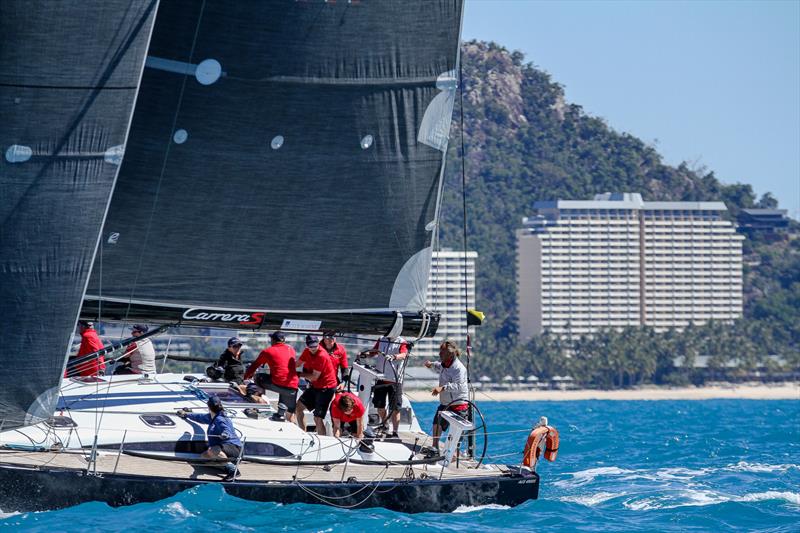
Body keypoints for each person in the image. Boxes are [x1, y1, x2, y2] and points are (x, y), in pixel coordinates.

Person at [176, 395, 242, 481]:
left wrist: (225, 434)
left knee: (213, 450)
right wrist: (187, 415)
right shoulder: (212, 417)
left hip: (234, 448)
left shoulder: (220, 418)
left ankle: (234, 471)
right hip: (224, 451)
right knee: (203, 457)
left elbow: (226, 428)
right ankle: (227, 467)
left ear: (209, 406)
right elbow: (199, 417)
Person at [243, 331, 298, 422]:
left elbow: (255, 366)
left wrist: (245, 377)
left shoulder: (267, 351)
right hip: (292, 388)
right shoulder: (291, 349)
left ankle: (258, 403)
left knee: (258, 377)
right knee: (289, 413)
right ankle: (297, 432)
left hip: (278, 384)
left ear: (272, 340)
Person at [424, 339, 469, 450]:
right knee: (436, 423)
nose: (440, 353)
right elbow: (439, 366)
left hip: (458, 404)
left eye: (442, 352)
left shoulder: (459, 368)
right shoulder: (445, 364)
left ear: (450, 353)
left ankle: (454, 453)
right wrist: (431, 364)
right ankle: (435, 447)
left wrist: (442, 388)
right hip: (445, 403)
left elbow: (458, 386)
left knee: (455, 431)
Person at [363, 334, 409, 438]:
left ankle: (395, 432)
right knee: (379, 406)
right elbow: (374, 351)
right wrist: (365, 354)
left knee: (395, 408)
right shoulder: (381, 339)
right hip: (381, 378)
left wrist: (394, 357)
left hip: (395, 380)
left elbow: (404, 354)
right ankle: (385, 425)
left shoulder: (401, 341)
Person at [295, 335, 338, 435]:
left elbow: (314, 377)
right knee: (298, 408)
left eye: (315, 346)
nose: (313, 348)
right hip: (315, 386)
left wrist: (297, 374)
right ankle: (303, 434)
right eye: (311, 346)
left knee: (317, 418)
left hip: (326, 388)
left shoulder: (322, 355)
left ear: (319, 343)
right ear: (307, 346)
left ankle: (322, 441)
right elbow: (297, 364)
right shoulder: (306, 351)